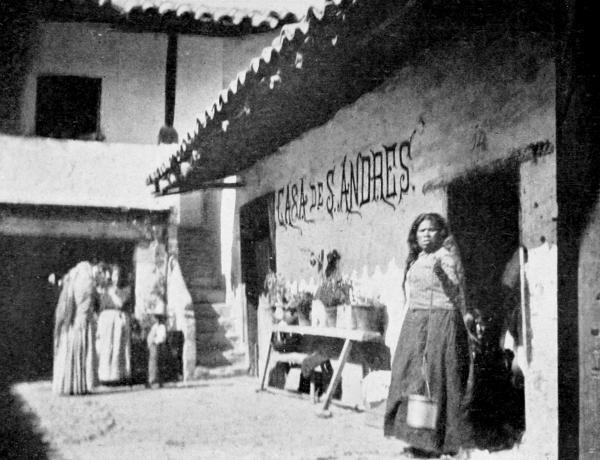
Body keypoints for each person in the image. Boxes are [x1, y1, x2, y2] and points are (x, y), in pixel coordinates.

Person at [384, 213, 474, 457]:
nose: (426, 235)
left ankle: (437, 442)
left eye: (431, 230)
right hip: (416, 322)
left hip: (440, 321)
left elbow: (456, 289)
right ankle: (417, 439)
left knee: (437, 379)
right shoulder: (418, 258)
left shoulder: (445, 256)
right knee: (411, 377)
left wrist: (443, 273)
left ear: (440, 233)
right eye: (421, 231)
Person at [53, 261, 105, 395]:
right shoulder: (89, 283)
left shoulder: (74, 281)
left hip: (75, 322)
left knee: (73, 353)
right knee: (83, 353)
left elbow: (69, 306)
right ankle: (81, 385)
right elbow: (96, 303)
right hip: (84, 321)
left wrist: (66, 323)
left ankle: (71, 385)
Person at [96, 264, 132, 384]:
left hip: (118, 319)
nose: (116, 278)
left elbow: (120, 304)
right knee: (106, 348)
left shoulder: (125, 290)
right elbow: (101, 305)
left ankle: (117, 376)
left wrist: (112, 294)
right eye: (114, 275)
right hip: (106, 320)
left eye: (118, 275)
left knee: (117, 347)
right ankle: (105, 376)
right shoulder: (105, 289)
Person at [146, 302, 168, 388]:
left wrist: (155, 341)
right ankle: (151, 380)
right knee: (152, 363)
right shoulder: (154, 326)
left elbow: (162, 337)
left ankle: (156, 381)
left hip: (157, 346)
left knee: (156, 363)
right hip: (152, 346)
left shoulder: (161, 327)